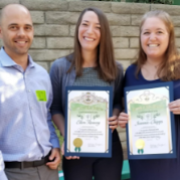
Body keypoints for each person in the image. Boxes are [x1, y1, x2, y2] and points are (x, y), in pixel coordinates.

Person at [50, 7, 123, 180]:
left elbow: (119, 102)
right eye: (85, 24)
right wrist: (67, 135)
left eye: (97, 27)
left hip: (108, 146)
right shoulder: (60, 67)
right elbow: (55, 108)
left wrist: (114, 116)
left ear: (103, 33)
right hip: (76, 148)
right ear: (77, 29)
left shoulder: (116, 68)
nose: (90, 31)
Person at [0, 4, 61, 180]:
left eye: (27, 27)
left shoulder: (42, 75)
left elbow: (45, 116)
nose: (21, 33)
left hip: (48, 170)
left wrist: (55, 145)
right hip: (12, 173)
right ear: (1, 32)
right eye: (13, 27)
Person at [119, 10, 180, 180]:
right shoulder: (131, 73)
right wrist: (123, 118)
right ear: (140, 37)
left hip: (175, 163)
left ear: (170, 36)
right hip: (142, 160)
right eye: (146, 32)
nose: (152, 37)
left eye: (159, 32)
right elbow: (126, 110)